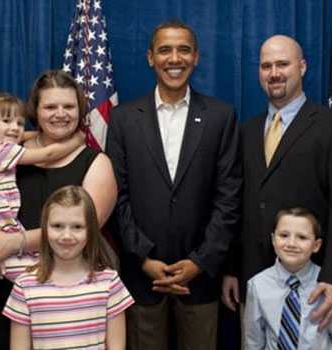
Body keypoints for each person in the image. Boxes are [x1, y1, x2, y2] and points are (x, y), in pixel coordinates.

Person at [0, 70, 117, 350]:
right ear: (35, 111)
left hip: (55, 305)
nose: (60, 114)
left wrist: (11, 243)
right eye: (50, 106)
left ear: (80, 110)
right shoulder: (5, 150)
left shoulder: (95, 162)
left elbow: (89, 225)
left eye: (69, 106)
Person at [105, 19, 241, 350]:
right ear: (151, 57)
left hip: (201, 279)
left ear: (196, 57)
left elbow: (229, 197)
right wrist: (143, 259)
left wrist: (200, 261)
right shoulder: (123, 118)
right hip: (142, 280)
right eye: (165, 50)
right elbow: (117, 196)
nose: (174, 58)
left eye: (183, 50)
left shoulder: (221, 117)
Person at [222, 34, 332, 337]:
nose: (274, 73)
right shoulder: (247, 131)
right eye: (266, 66)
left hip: (315, 281)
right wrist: (231, 269)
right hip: (256, 277)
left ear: (302, 66)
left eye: (283, 64)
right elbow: (239, 205)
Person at [0, 92, 85, 283]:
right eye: (6, 121)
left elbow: (18, 135)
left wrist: (38, 133)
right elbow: (48, 154)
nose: (15, 128)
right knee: (36, 275)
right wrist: (76, 140)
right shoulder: (4, 151)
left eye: (20, 123)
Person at [3, 185, 133, 350]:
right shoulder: (24, 286)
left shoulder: (109, 283)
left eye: (77, 227)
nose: (66, 236)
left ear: (91, 230)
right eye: (57, 226)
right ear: (45, 228)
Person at [243, 208, 332, 350]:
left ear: (316, 245)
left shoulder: (328, 285)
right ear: (273, 240)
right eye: (284, 235)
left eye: (302, 237)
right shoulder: (257, 285)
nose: (291, 243)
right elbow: (253, 341)